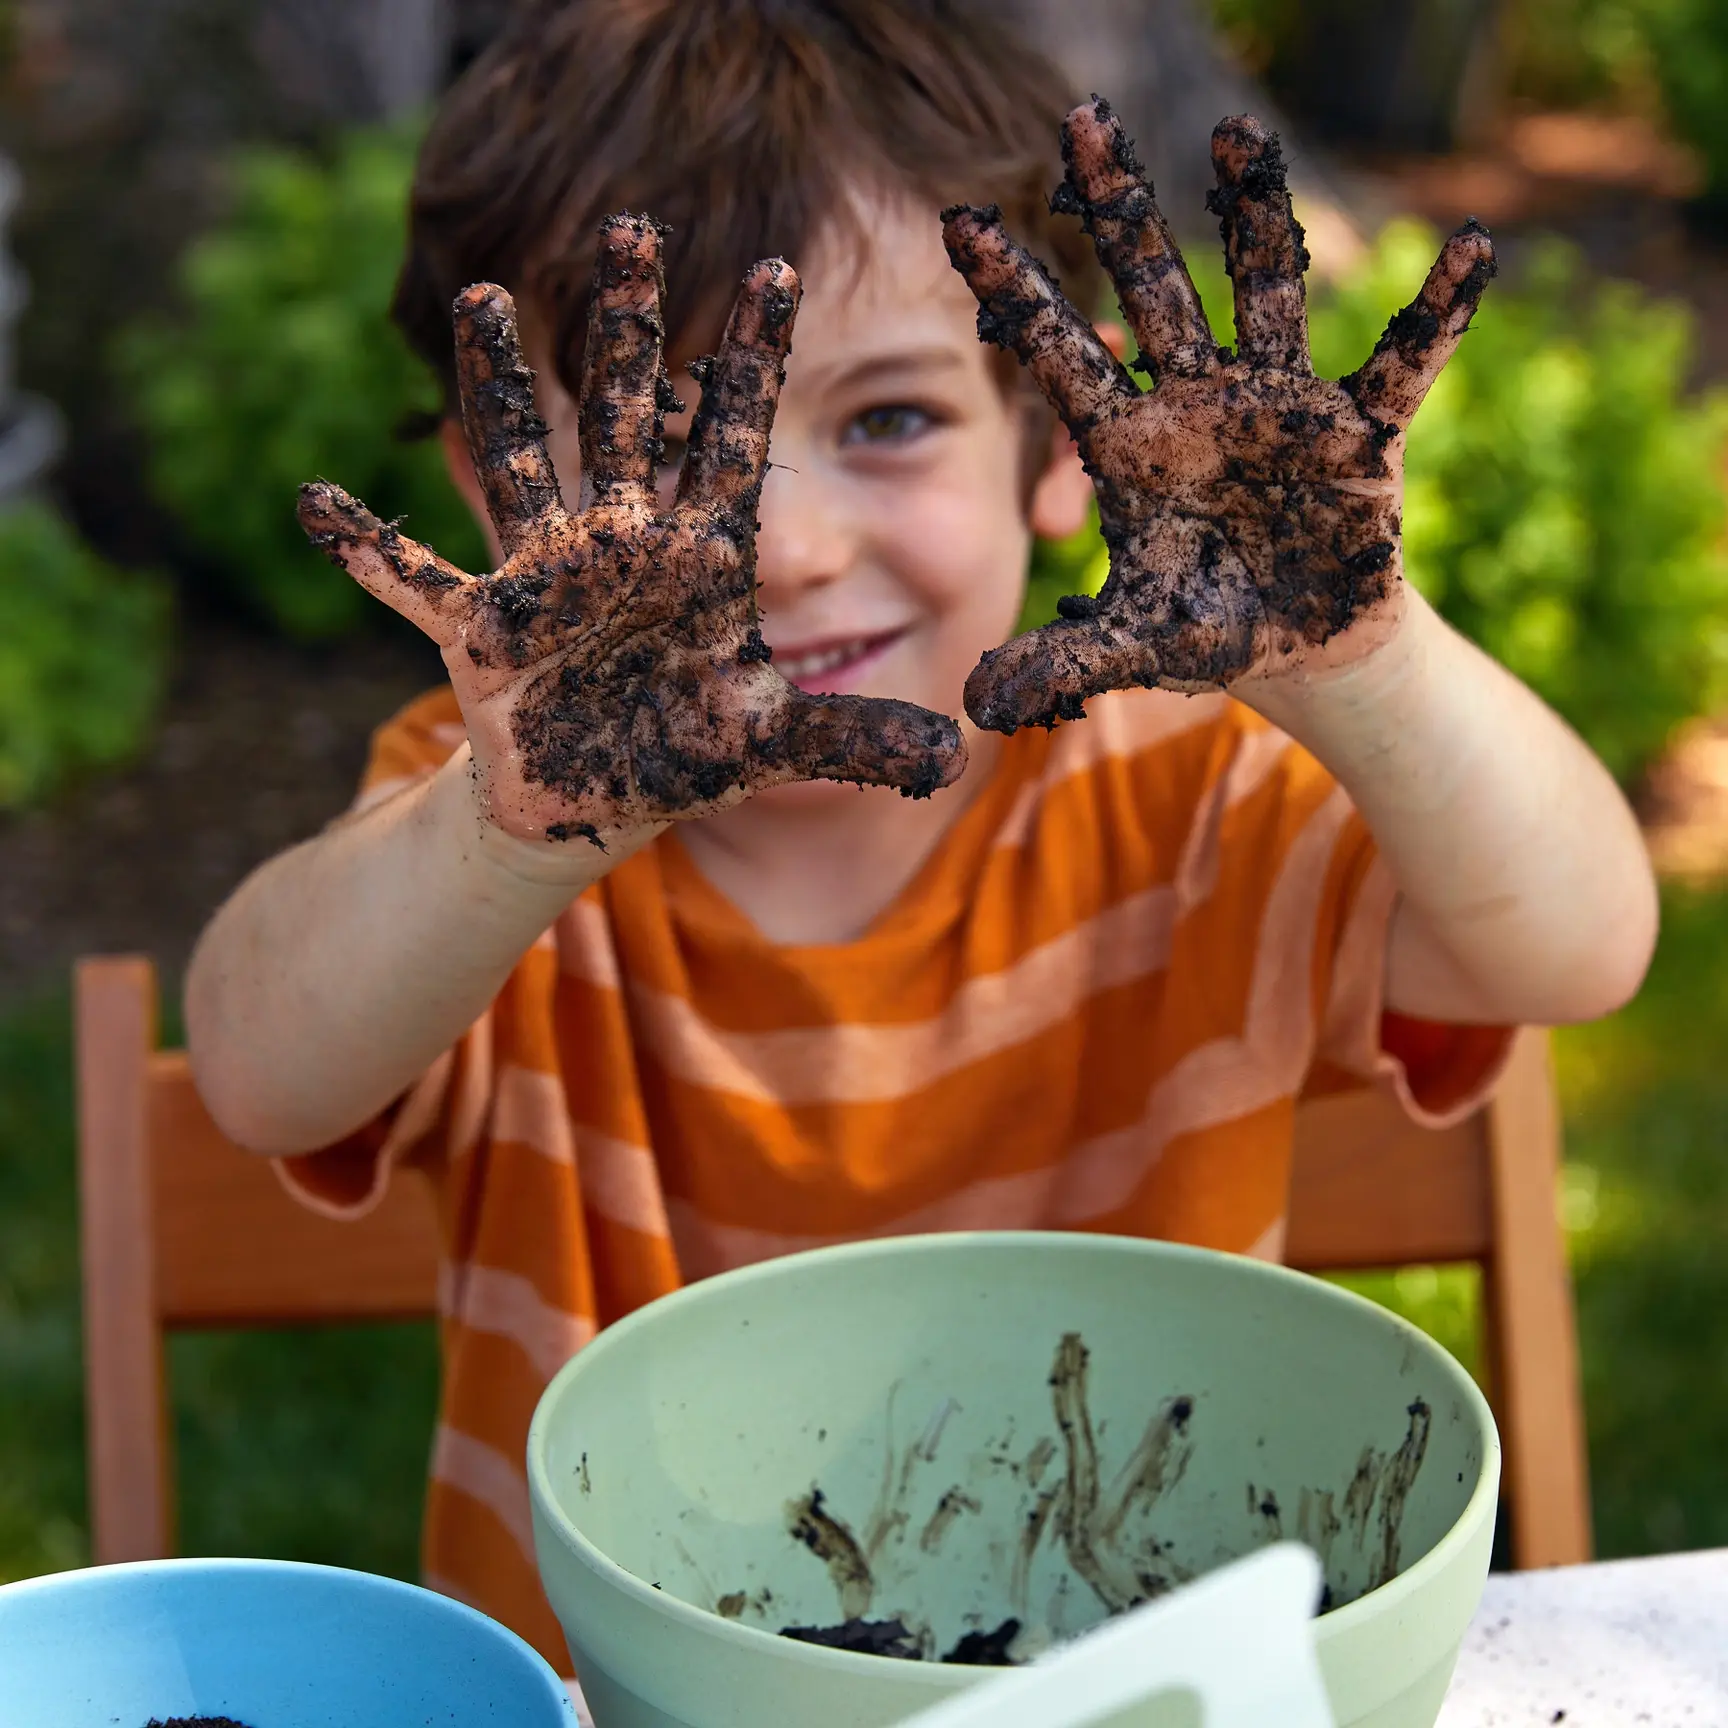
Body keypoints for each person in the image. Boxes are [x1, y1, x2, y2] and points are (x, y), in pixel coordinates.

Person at [184, 0, 1656, 1673]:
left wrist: (1357, 657)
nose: (793, 553)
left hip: (1129, 1688)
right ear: (505, 489)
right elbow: (259, 1070)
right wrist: (511, 837)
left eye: (888, 420)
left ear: (1054, 439)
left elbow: (1581, 947)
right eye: (674, 450)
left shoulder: (1192, 804)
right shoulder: (498, 836)